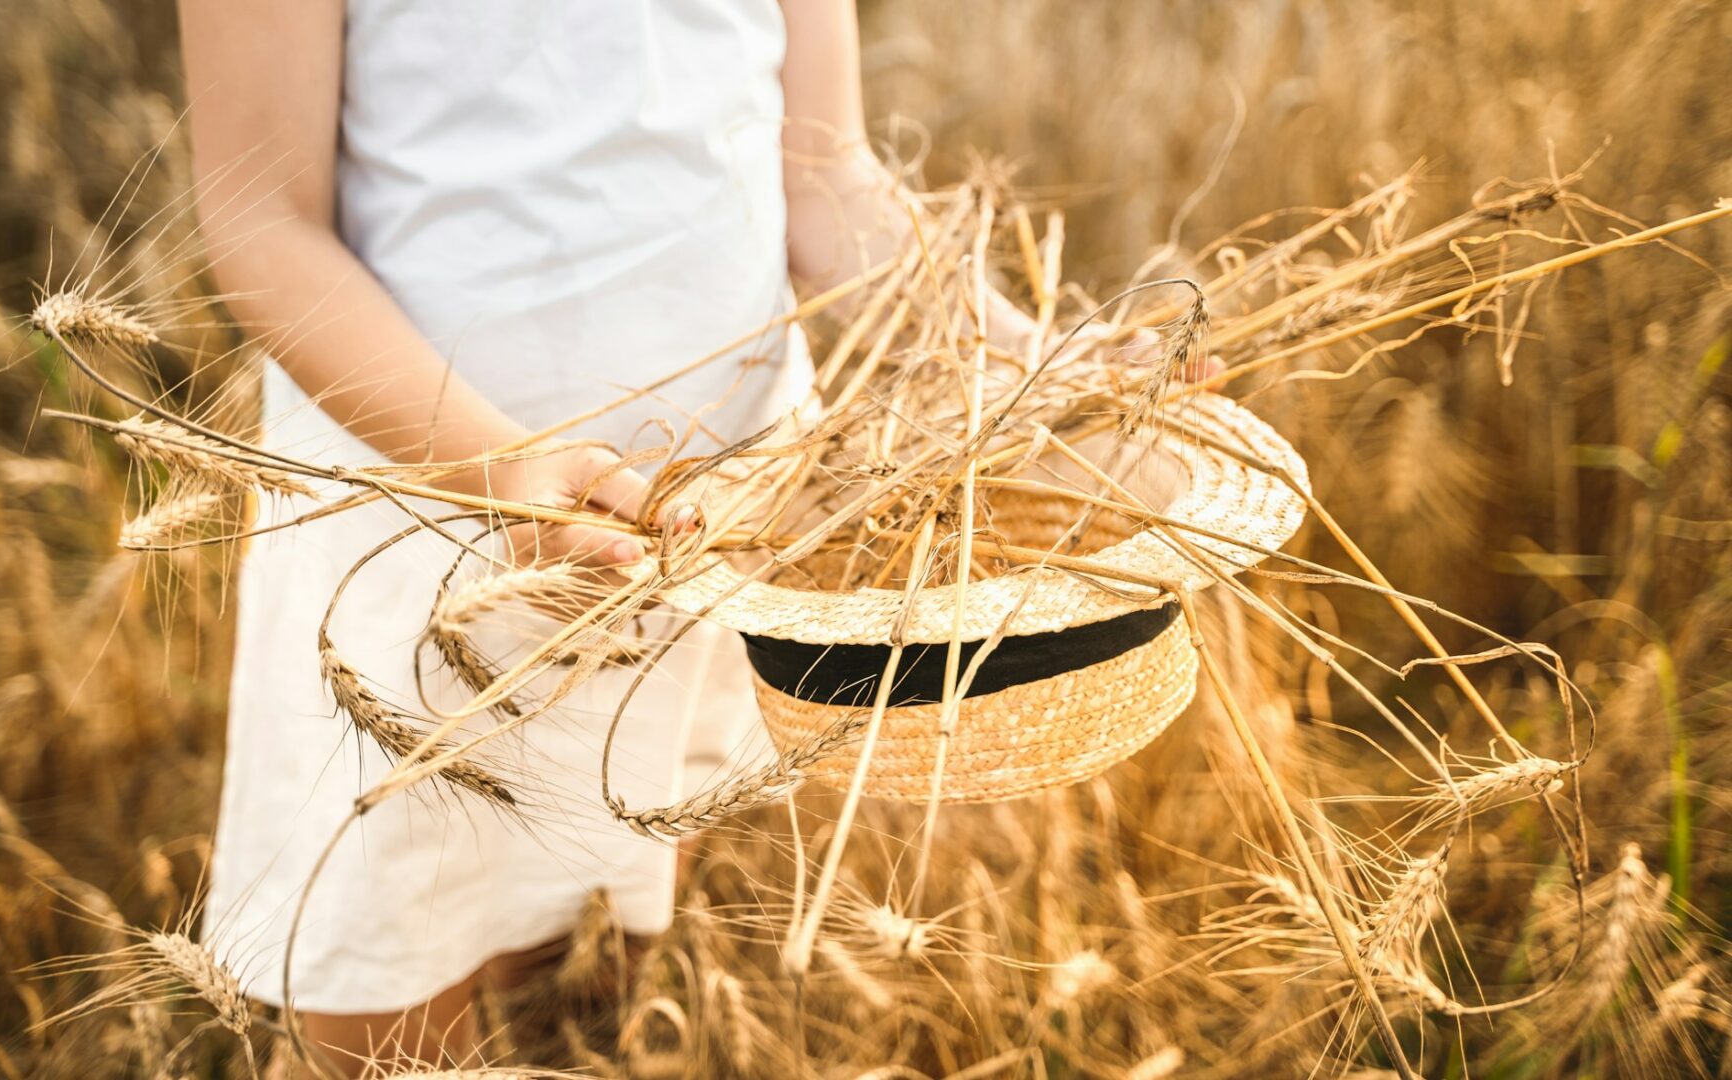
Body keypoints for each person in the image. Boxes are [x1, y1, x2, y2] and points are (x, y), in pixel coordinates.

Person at [180, 2, 1137, 1072]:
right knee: (390, 973)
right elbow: (263, 222)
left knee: (590, 935)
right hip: (418, 517)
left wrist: (1023, 358)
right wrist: (497, 470)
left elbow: (824, 176)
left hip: (694, 523)